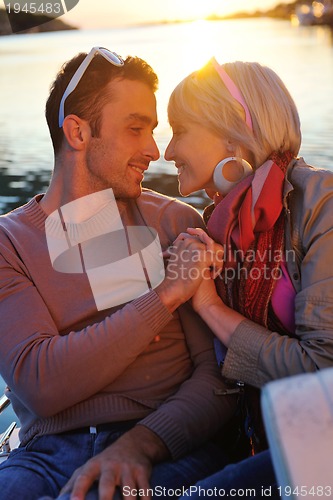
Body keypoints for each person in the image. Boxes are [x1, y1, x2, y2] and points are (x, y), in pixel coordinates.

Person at [0, 48, 237, 499]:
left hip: (164, 445)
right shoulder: (8, 243)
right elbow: (40, 383)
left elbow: (218, 379)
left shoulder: (176, 224)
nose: (154, 150)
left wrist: (141, 445)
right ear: (78, 131)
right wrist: (166, 294)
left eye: (153, 130)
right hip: (45, 457)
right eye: (135, 129)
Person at [162, 57, 333, 498]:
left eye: (179, 129)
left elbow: (321, 370)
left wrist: (208, 306)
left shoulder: (321, 205)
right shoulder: (217, 225)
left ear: (231, 127)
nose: (167, 151)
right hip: (258, 432)